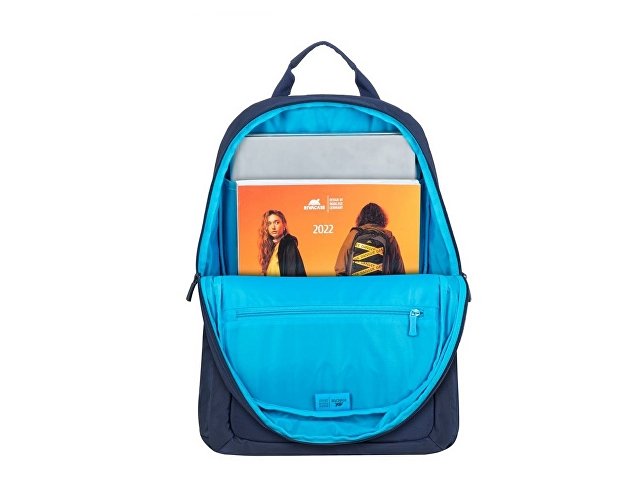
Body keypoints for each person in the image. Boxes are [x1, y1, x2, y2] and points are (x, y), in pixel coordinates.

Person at [334, 203, 405, 276]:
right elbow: (399, 270)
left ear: (361, 218)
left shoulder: (354, 234)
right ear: (382, 218)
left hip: (355, 282)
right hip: (381, 282)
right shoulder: (388, 236)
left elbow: (340, 267)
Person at [258, 209, 306, 276]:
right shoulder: (271, 249)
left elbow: (291, 275)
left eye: (277, 222)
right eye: (269, 223)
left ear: (284, 225)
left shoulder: (288, 244)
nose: (273, 227)